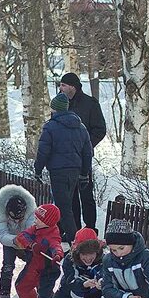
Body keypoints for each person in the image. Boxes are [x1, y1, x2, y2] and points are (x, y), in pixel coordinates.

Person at [34, 93, 93, 244]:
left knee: (63, 206)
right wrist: (84, 173)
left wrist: (38, 169)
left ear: (54, 109)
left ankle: (76, 242)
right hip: (75, 170)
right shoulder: (80, 127)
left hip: (58, 171)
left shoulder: (50, 127)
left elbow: (43, 151)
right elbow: (87, 152)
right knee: (72, 202)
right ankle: (68, 233)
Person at [0, 185, 54, 298]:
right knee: (7, 269)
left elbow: (33, 231)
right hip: (9, 240)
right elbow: (1, 233)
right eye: (13, 218)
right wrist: (14, 241)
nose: (16, 221)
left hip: (28, 241)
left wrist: (25, 241)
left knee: (35, 268)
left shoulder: (33, 211)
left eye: (19, 218)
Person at [59, 72, 106, 232]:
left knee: (86, 195)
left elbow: (100, 130)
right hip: (64, 160)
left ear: (73, 86)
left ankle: (90, 229)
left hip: (82, 159)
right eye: (60, 85)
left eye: (64, 85)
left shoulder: (90, 104)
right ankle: (75, 230)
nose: (61, 88)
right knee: (70, 197)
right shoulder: (60, 104)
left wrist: (86, 146)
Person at [13, 204, 64, 298]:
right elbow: (22, 236)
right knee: (21, 286)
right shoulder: (35, 228)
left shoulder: (52, 235)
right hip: (33, 265)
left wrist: (57, 256)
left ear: (47, 222)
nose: (35, 221)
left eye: (38, 219)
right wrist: (32, 244)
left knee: (45, 296)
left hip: (48, 270)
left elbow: (56, 246)